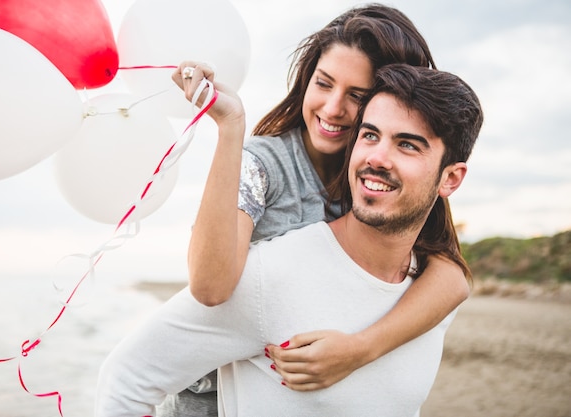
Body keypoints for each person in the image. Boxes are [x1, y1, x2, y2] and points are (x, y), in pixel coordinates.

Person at [94, 63, 484, 417]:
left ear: (451, 178)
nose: (378, 157)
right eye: (369, 135)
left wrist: (362, 349)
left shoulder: (432, 288)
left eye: (407, 144)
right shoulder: (272, 275)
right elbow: (124, 380)